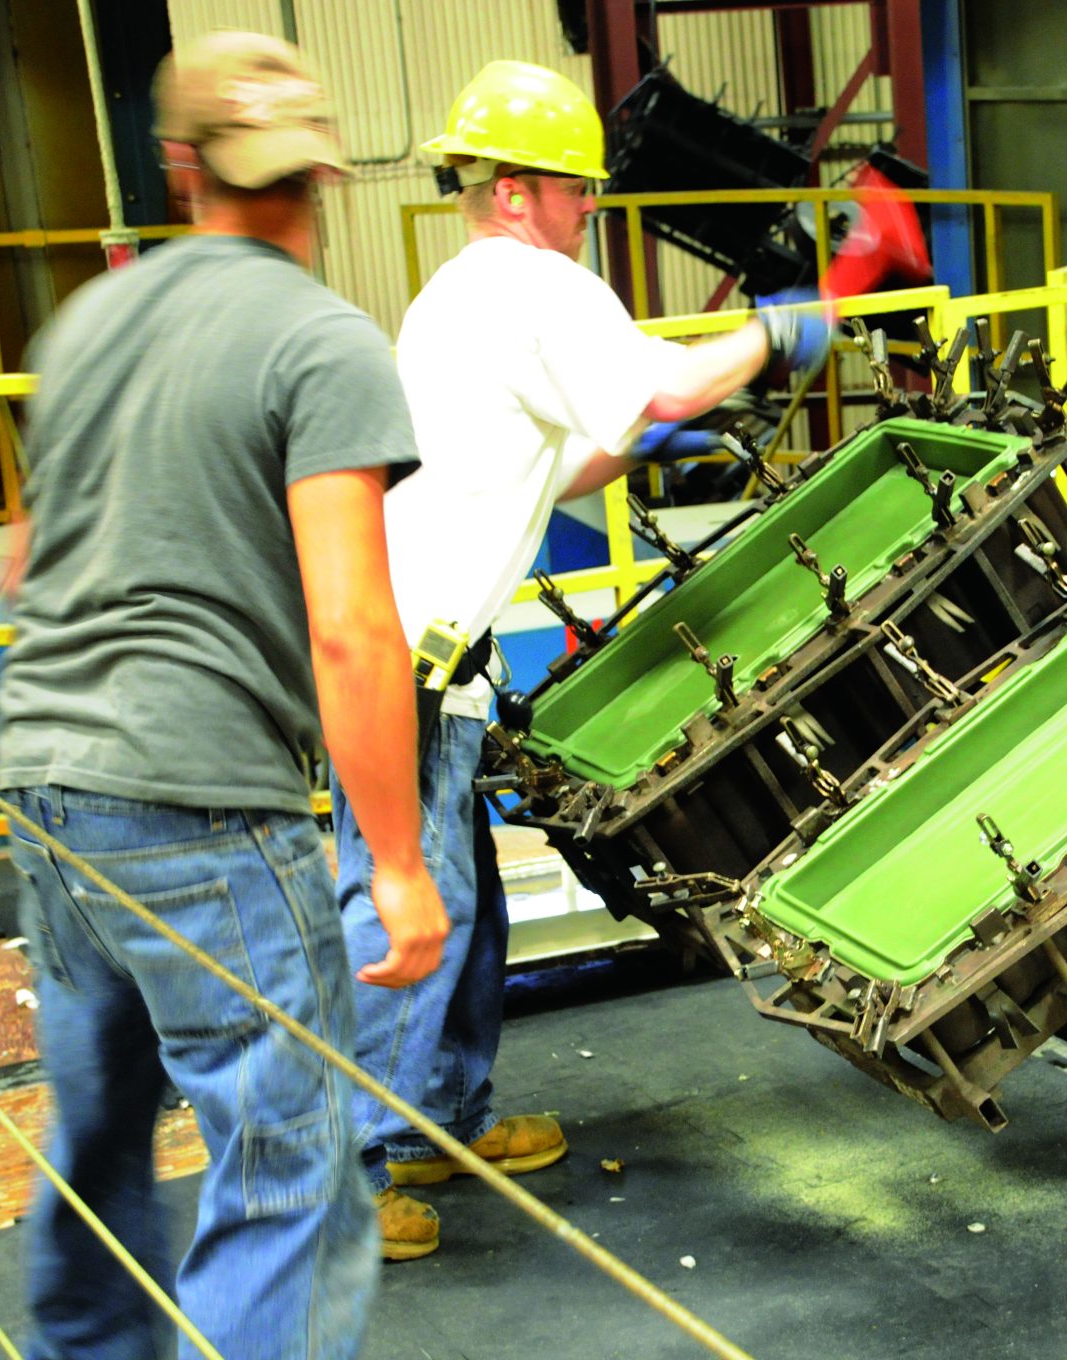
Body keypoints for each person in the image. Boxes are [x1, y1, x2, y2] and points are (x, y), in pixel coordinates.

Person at [0, 32, 448, 1359]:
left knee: (97, 1139)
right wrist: (396, 861)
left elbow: (30, 558)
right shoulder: (320, 339)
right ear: (324, 172)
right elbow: (352, 628)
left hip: (47, 783)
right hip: (202, 802)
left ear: (178, 166)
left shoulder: (85, 323)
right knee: (288, 1170)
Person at [338, 59, 827, 1261]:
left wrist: (657, 443)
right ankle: (345, 1179)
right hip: (402, 660)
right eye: (573, 190)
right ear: (511, 190)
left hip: (424, 656)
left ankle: (437, 1120)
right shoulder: (528, 285)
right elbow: (660, 381)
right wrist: (770, 332)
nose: (588, 210)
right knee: (412, 910)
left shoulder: (462, 293)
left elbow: (557, 461)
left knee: (467, 908)